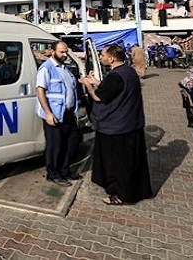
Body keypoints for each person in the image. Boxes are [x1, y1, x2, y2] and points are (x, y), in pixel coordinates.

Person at [79, 44, 153, 205]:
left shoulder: (115, 76)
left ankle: (120, 195)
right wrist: (98, 82)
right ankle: (133, 191)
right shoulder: (129, 71)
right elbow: (113, 89)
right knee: (131, 162)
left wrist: (87, 85)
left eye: (102, 55)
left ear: (111, 59)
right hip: (131, 124)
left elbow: (99, 97)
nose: (101, 58)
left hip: (117, 127)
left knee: (118, 164)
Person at [35, 40, 81, 187]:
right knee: (55, 146)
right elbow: (40, 91)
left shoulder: (64, 68)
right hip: (54, 114)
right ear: (53, 52)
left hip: (68, 113)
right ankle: (53, 174)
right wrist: (48, 113)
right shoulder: (46, 68)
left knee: (72, 142)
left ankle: (64, 170)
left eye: (66, 52)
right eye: (62, 52)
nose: (65, 54)